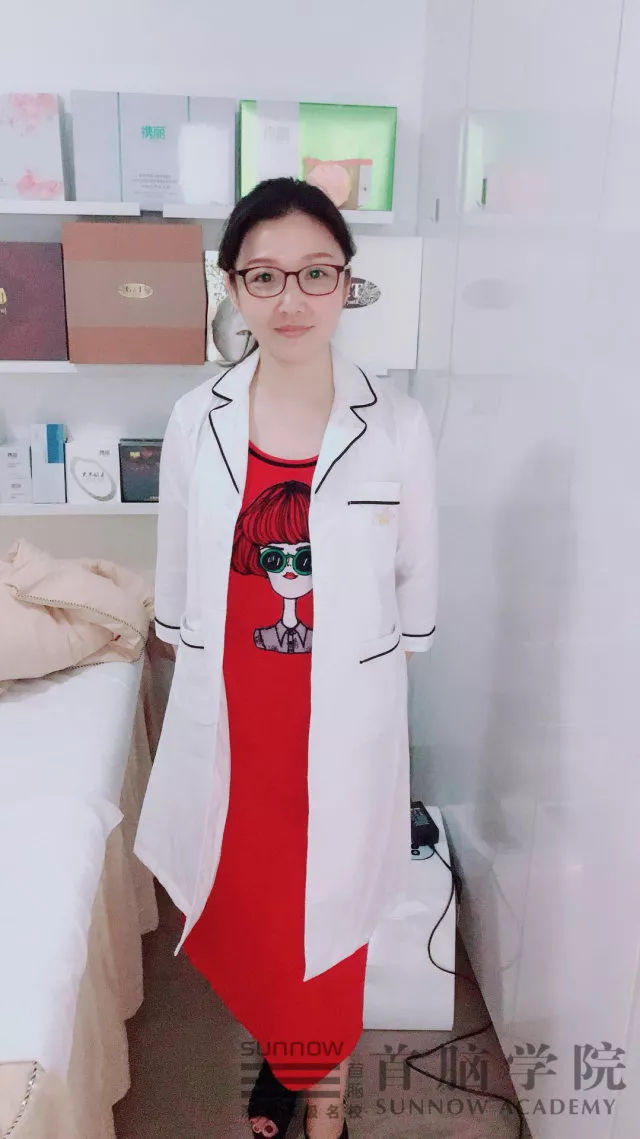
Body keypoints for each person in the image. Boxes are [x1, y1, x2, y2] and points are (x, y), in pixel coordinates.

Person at [133, 176, 438, 1139]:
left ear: (347, 282)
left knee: (332, 916)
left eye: (316, 272)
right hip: (238, 714)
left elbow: (416, 580)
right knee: (257, 910)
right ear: (231, 287)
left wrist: (376, 682)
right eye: (263, 276)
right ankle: (285, 1050)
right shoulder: (198, 418)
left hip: (339, 721)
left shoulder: (396, 422)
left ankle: (324, 1105)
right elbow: (177, 567)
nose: (291, 298)